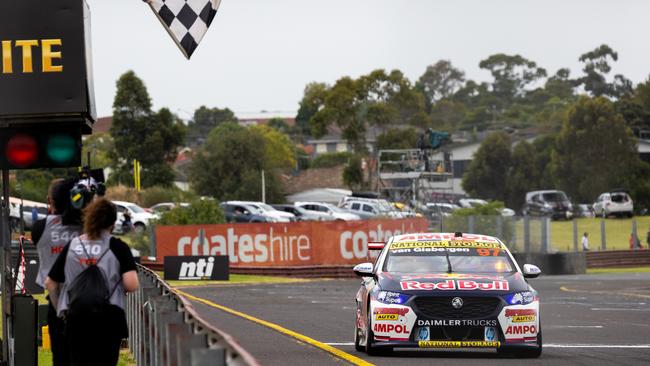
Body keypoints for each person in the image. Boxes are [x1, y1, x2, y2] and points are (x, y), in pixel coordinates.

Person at [45, 199, 139, 366]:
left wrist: (61, 310)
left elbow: (50, 282)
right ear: (112, 222)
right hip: (108, 319)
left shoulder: (73, 245)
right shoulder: (118, 247)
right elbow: (132, 285)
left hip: (77, 317)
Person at [32, 179, 82, 366]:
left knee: (60, 359)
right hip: (88, 301)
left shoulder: (40, 228)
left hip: (56, 303)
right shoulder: (88, 226)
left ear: (50, 201)